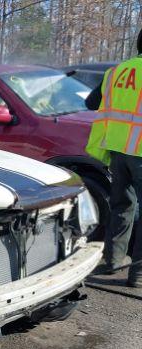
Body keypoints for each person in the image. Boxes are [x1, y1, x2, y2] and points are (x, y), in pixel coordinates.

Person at [86, 30, 142, 287]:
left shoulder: (118, 71)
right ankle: (138, 274)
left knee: (122, 206)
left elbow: (91, 102)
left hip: (119, 151)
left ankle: (113, 262)